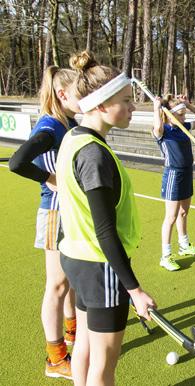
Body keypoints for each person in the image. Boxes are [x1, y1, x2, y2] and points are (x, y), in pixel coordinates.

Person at [56, 51, 156, 385]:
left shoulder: (73, 137)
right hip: (101, 268)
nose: (133, 107)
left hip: (78, 260)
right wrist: (135, 289)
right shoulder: (94, 155)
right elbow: (104, 230)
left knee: (84, 347)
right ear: (100, 105)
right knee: (104, 366)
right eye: (126, 100)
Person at [9, 66, 79, 379]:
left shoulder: (70, 121)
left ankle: (72, 332)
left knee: (70, 282)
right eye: (80, 92)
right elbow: (17, 161)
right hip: (55, 212)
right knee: (56, 285)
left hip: (71, 211)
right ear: (63, 95)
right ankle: (55, 359)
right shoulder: (51, 126)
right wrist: (47, 177)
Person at [153, 94, 195, 271]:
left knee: (184, 213)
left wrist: (188, 106)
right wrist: (156, 108)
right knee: (170, 217)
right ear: (170, 114)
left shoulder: (184, 127)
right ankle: (165, 256)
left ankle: (184, 245)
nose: (184, 117)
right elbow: (157, 127)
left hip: (187, 172)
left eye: (185, 114)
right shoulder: (163, 131)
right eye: (181, 114)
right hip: (173, 175)